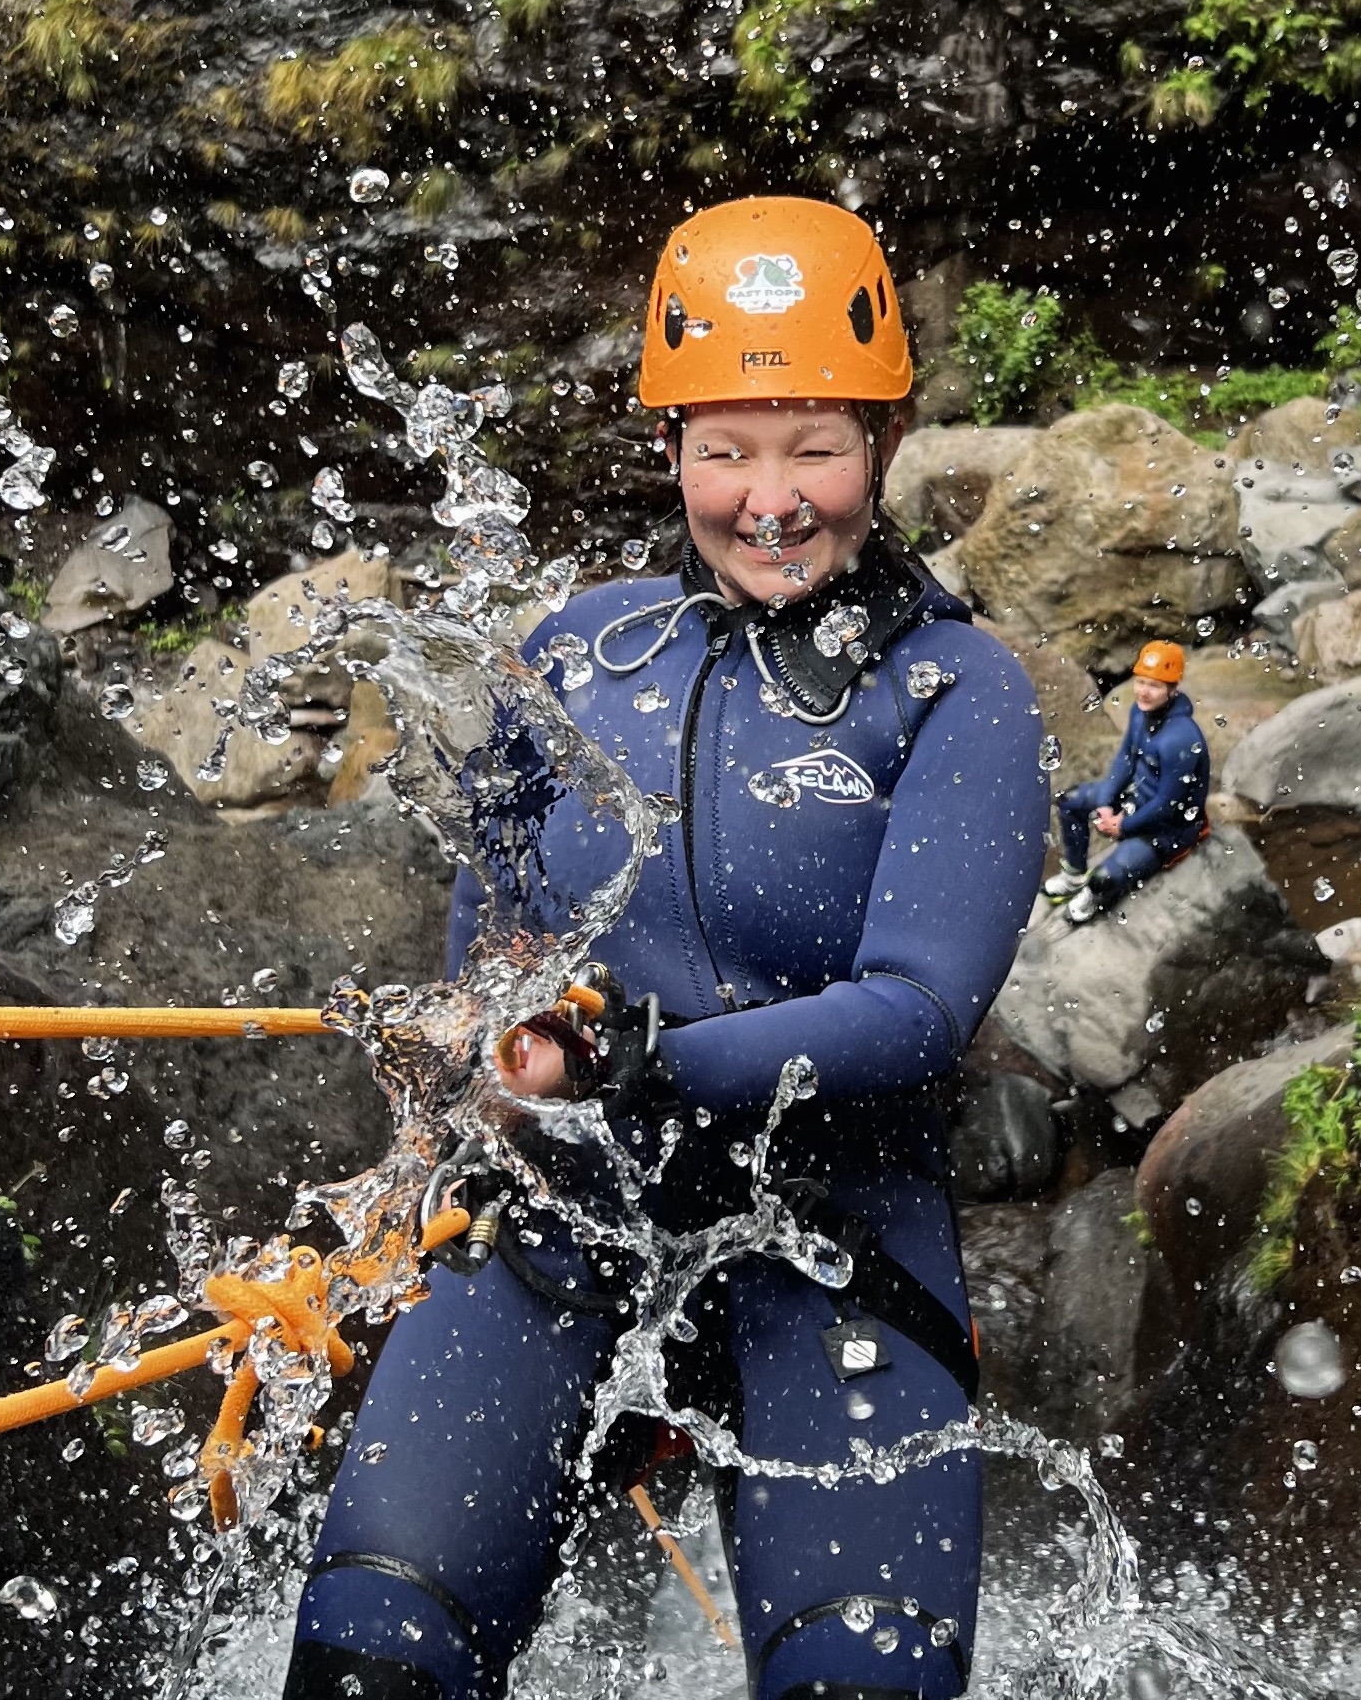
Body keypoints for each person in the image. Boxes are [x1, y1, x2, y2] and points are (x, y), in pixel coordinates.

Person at [285, 197, 1049, 1700]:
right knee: (372, 1667)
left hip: (831, 1248)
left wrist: (641, 1058)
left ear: (884, 444)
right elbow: (491, 944)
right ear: (672, 448)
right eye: (727, 449)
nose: (771, 499)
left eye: (815, 445)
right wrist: (467, 1057)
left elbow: (916, 1008)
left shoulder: (957, 687)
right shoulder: (577, 654)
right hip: (561, 1229)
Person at [1043, 640, 1208, 925]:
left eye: (1154, 686)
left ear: (1172, 689)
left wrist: (1123, 826)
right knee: (1070, 801)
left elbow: (1168, 804)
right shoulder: (1139, 712)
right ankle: (1074, 874)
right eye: (1141, 682)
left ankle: (1094, 895)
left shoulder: (1181, 738)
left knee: (1105, 879)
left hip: (1168, 827)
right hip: (1135, 800)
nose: (1144, 692)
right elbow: (1126, 760)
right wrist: (1107, 802)